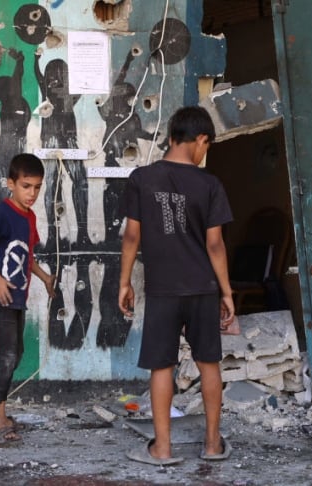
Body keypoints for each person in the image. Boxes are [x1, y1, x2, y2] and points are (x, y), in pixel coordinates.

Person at [118, 106, 235, 465]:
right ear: (201, 140)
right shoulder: (210, 184)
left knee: (161, 367)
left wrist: (124, 283)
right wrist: (227, 292)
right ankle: (212, 445)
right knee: (209, 364)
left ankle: (163, 449)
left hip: (162, 289)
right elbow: (215, 244)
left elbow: (131, 236)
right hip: (202, 287)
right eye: (206, 146)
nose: (205, 154)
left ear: (170, 138)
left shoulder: (142, 178)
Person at [0, 153, 56, 446]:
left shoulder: (30, 217)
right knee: (7, 354)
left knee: (15, 353)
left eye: (37, 187)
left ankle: (1, 413)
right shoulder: (1, 213)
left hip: (17, 297)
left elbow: (27, 256)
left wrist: (45, 278)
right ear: (11, 184)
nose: (31, 193)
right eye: (25, 186)